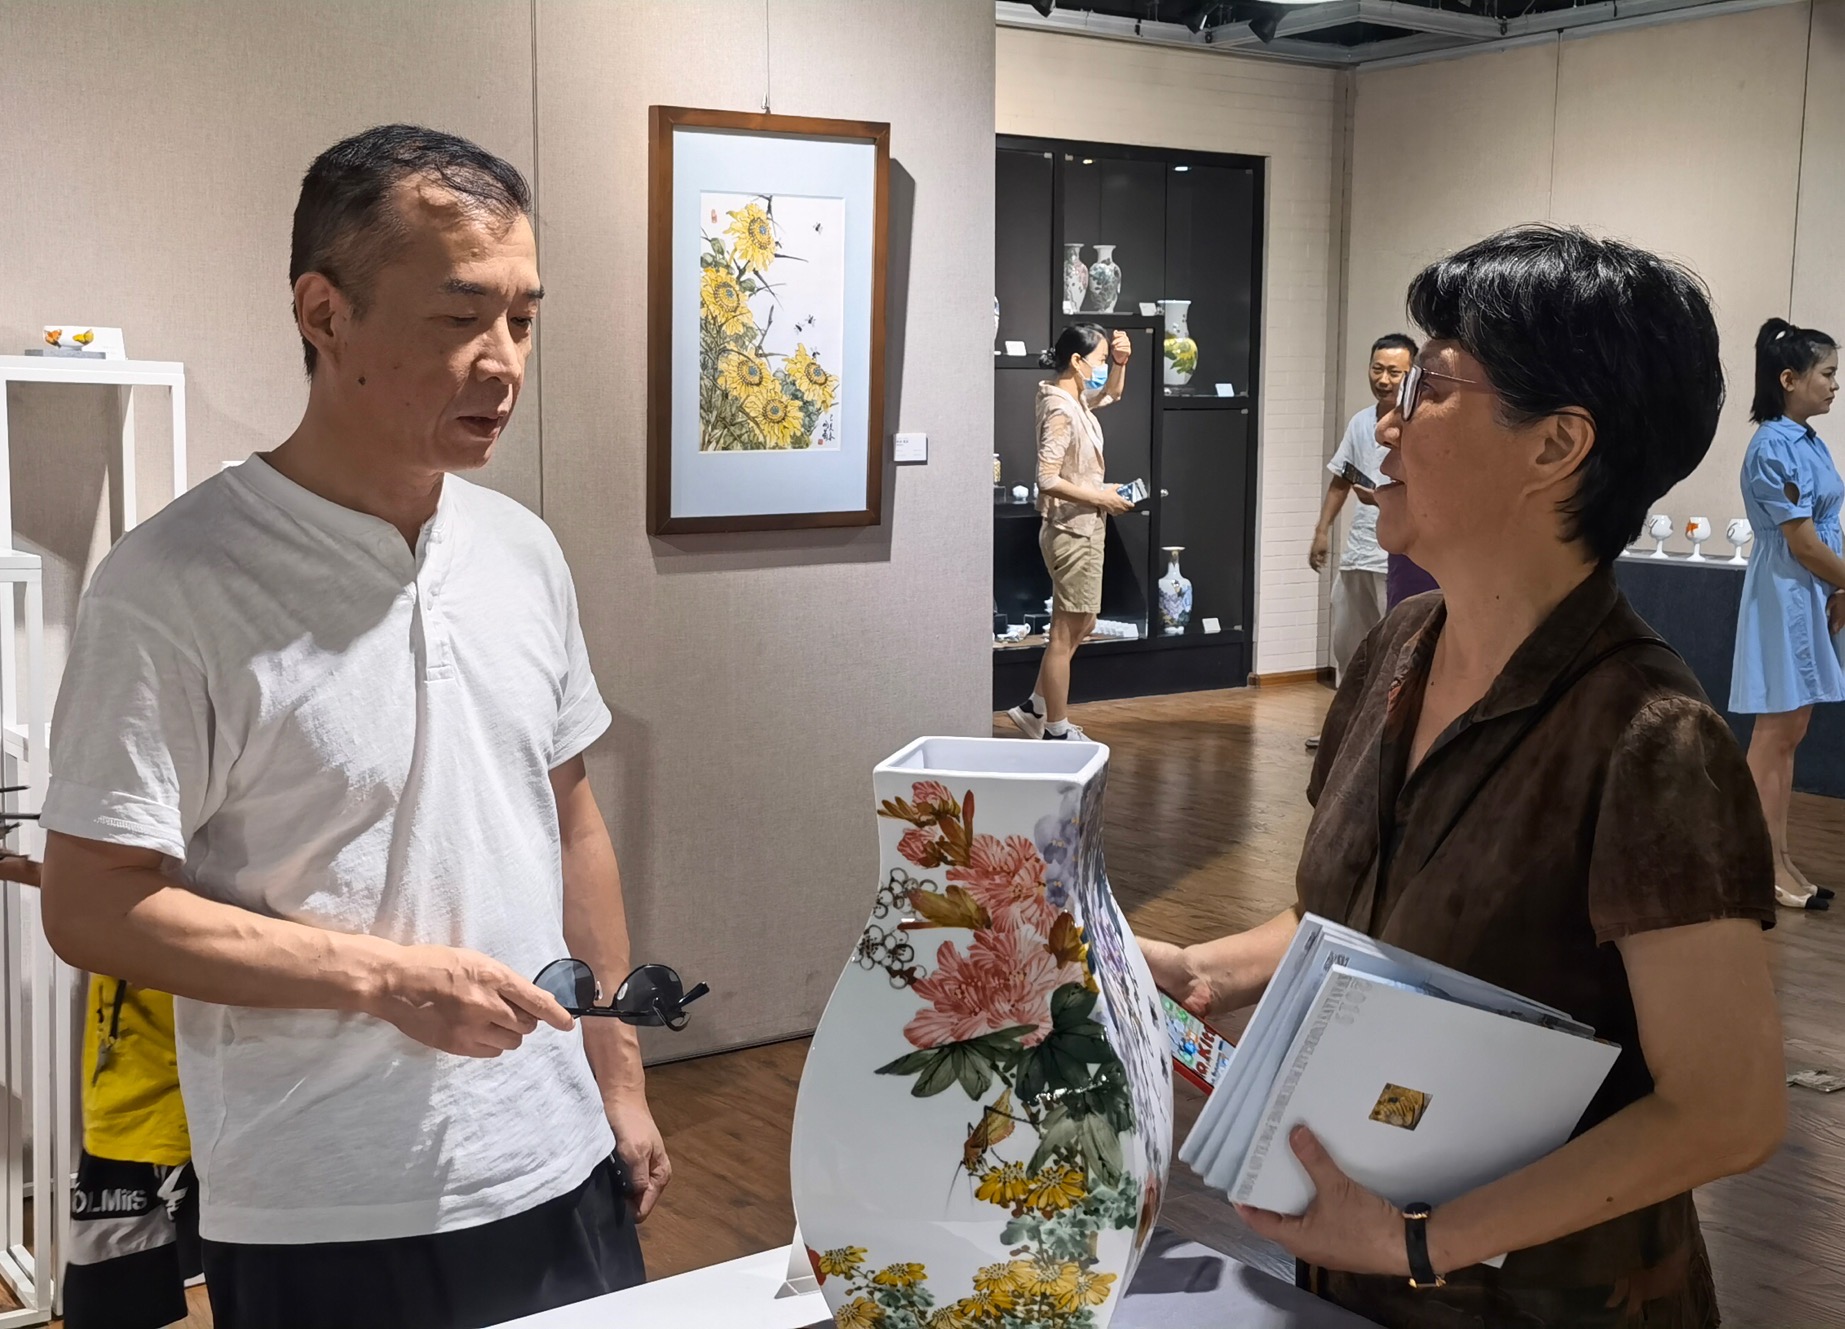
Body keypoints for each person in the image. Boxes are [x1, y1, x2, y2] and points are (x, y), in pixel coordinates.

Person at [37, 125, 663, 1329]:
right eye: (460, 317)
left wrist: (617, 1073)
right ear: (324, 313)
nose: (502, 362)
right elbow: (92, 904)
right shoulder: (172, 585)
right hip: (324, 1204)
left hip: (558, 1158)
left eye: (523, 319)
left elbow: (570, 819)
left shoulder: (523, 551)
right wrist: (383, 979)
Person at [1142, 226, 1784, 1328]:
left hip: (1547, 1300)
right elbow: (1357, 917)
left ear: (1556, 446)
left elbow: (1726, 1110)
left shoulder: (1649, 736)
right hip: (1349, 1263)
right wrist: (1204, 971)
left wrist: (1419, 1242)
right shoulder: (1401, 646)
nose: (1388, 424)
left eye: (1431, 387)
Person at [1729, 317, 1843, 911]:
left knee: (1790, 733)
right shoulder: (1773, 445)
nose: (1834, 385)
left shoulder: (1808, 441)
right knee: (1775, 733)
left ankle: (1778, 856)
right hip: (1787, 593)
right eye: (1827, 374)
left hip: (1811, 591)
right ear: (1789, 378)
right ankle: (1759, 862)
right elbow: (1801, 543)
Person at [1007, 323, 1134, 741]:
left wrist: (1121, 363)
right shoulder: (1061, 408)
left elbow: (1110, 394)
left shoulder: (1071, 397)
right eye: (1100, 361)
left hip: (1083, 526)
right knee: (1065, 631)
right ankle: (1055, 730)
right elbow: (1046, 478)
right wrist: (1101, 497)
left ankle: (1034, 707)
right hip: (1072, 529)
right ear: (1077, 361)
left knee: (1084, 621)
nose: (1103, 369)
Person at [1311, 334, 1416, 684]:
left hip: (1396, 556)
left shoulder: (1420, 424)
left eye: (1394, 372)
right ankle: (1347, 714)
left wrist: (1382, 499)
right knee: (1348, 645)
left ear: (1412, 374)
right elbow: (1342, 479)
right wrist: (1322, 531)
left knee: (1394, 645)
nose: (1383, 379)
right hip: (1358, 553)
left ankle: (1383, 716)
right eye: (1377, 369)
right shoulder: (1360, 422)